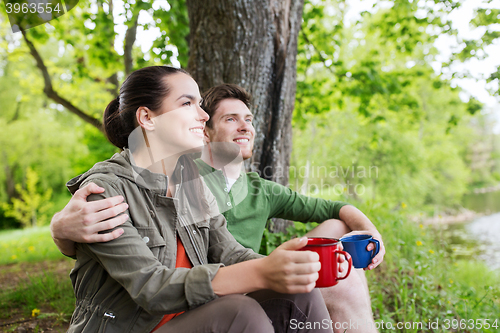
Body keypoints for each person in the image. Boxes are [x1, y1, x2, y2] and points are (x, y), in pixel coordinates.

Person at [52, 83, 385, 332]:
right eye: (188, 104)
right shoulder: (107, 189)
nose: (201, 114)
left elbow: (232, 252)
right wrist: (61, 230)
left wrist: (293, 268)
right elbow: (150, 288)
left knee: (302, 294)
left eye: (201, 105)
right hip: (136, 325)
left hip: (198, 307)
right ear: (147, 118)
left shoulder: (190, 183)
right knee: (242, 313)